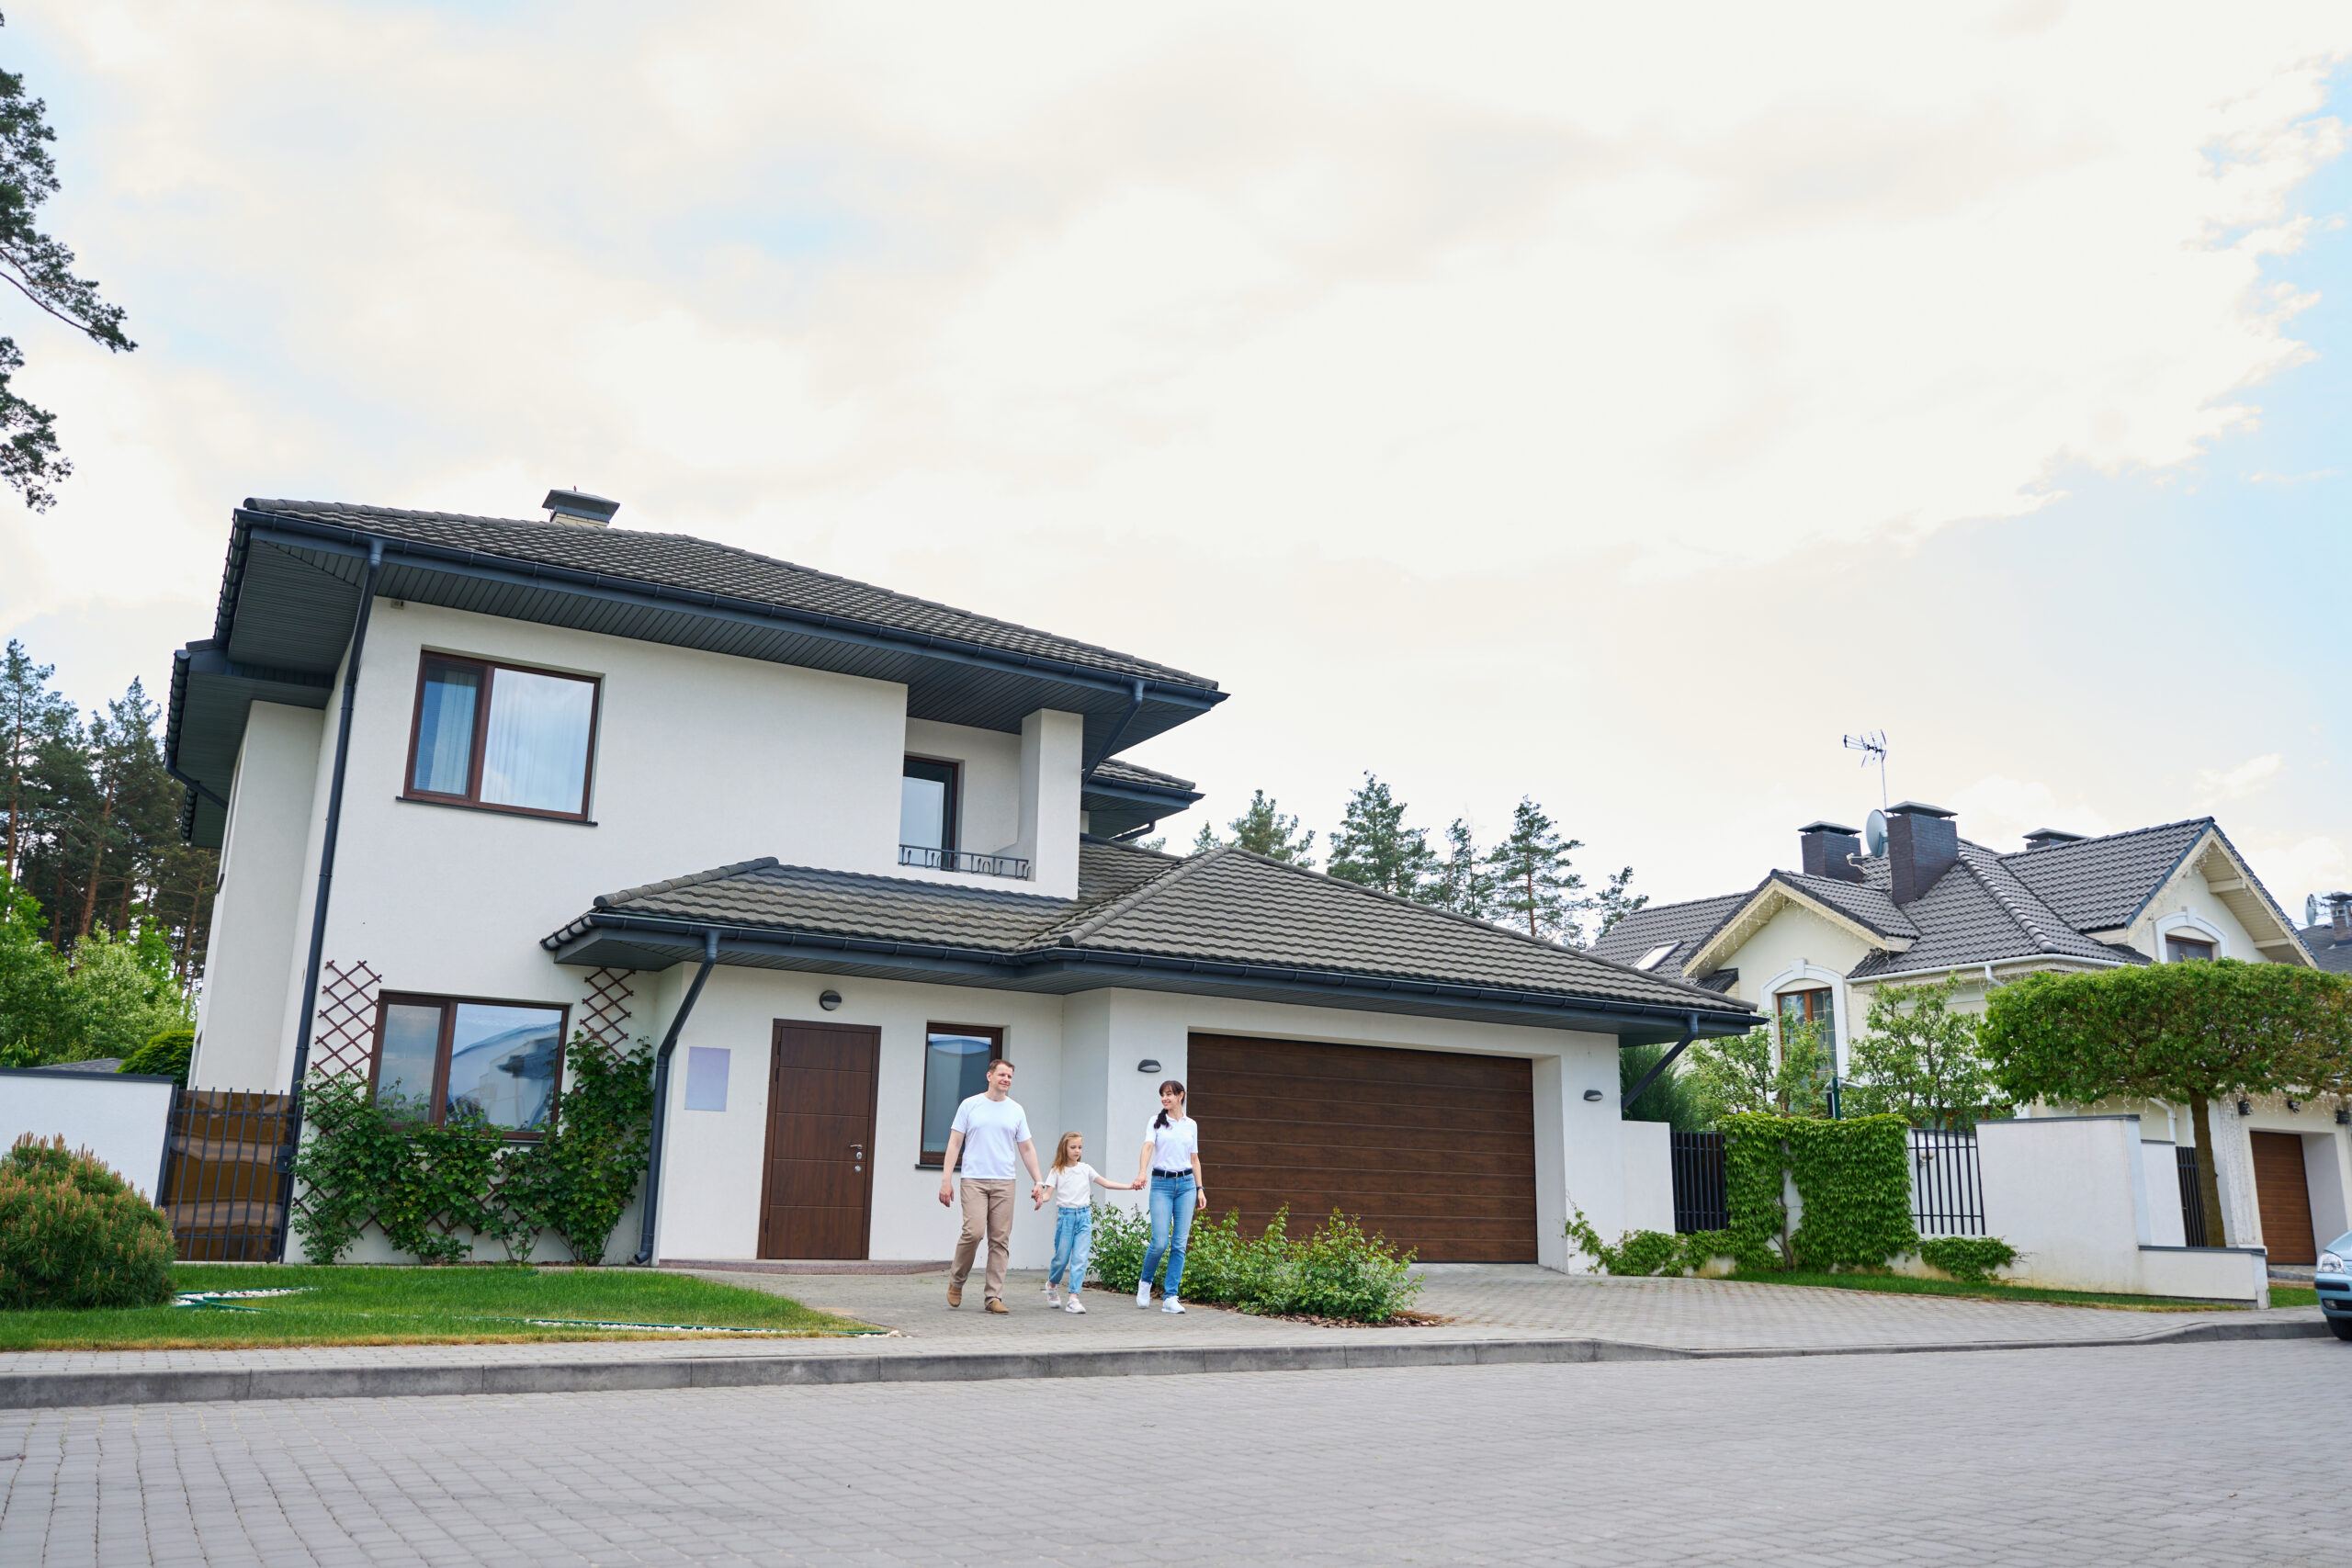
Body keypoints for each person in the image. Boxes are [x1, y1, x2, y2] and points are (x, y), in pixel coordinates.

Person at [936, 1057, 1047, 1313]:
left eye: (1010, 1076)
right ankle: (956, 1281)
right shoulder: (970, 1105)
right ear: (989, 1076)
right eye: (1002, 1075)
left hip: (1004, 1182)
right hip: (973, 1179)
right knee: (973, 1232)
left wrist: (1038, 1181)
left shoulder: (1016, 1110)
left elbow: (1027, 1148)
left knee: (1000, 1240)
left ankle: (993, 1297)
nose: (1006, 1079)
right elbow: (954, 1143)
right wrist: (946, 1180)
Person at [1034, 1132, 1139, 1312]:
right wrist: (1040, 1198)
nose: (1077, 1151)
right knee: (1061, 1258)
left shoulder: (1085, 1169)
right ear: (1064, 1148)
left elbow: (1105, 1183)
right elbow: (1048, 1194)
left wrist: (1129, 1186)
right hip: (1066, 1217)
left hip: (1084, 1217)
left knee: (1080, 1259)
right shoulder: (1056, 1171)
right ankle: (1051, 1285)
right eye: (1073, 1147)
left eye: (1080, 1147)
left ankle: (1073, 1298)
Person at [1131, 1078, 1205, 1314]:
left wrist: (1200, 1188)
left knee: (1180, 1244)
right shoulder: (1155, 1122)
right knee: (1160, 1241)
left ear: (1181, 1095)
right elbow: (1147, 1147)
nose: (1165, 1098)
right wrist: (1142, 1172)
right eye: (1163, 1094)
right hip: (1161, 1184)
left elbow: (1194, 1159)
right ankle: (1145, 1283)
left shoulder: (1190, 1124)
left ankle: (1170, 1297)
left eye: (1169, 1094)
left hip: (1186, 1185)